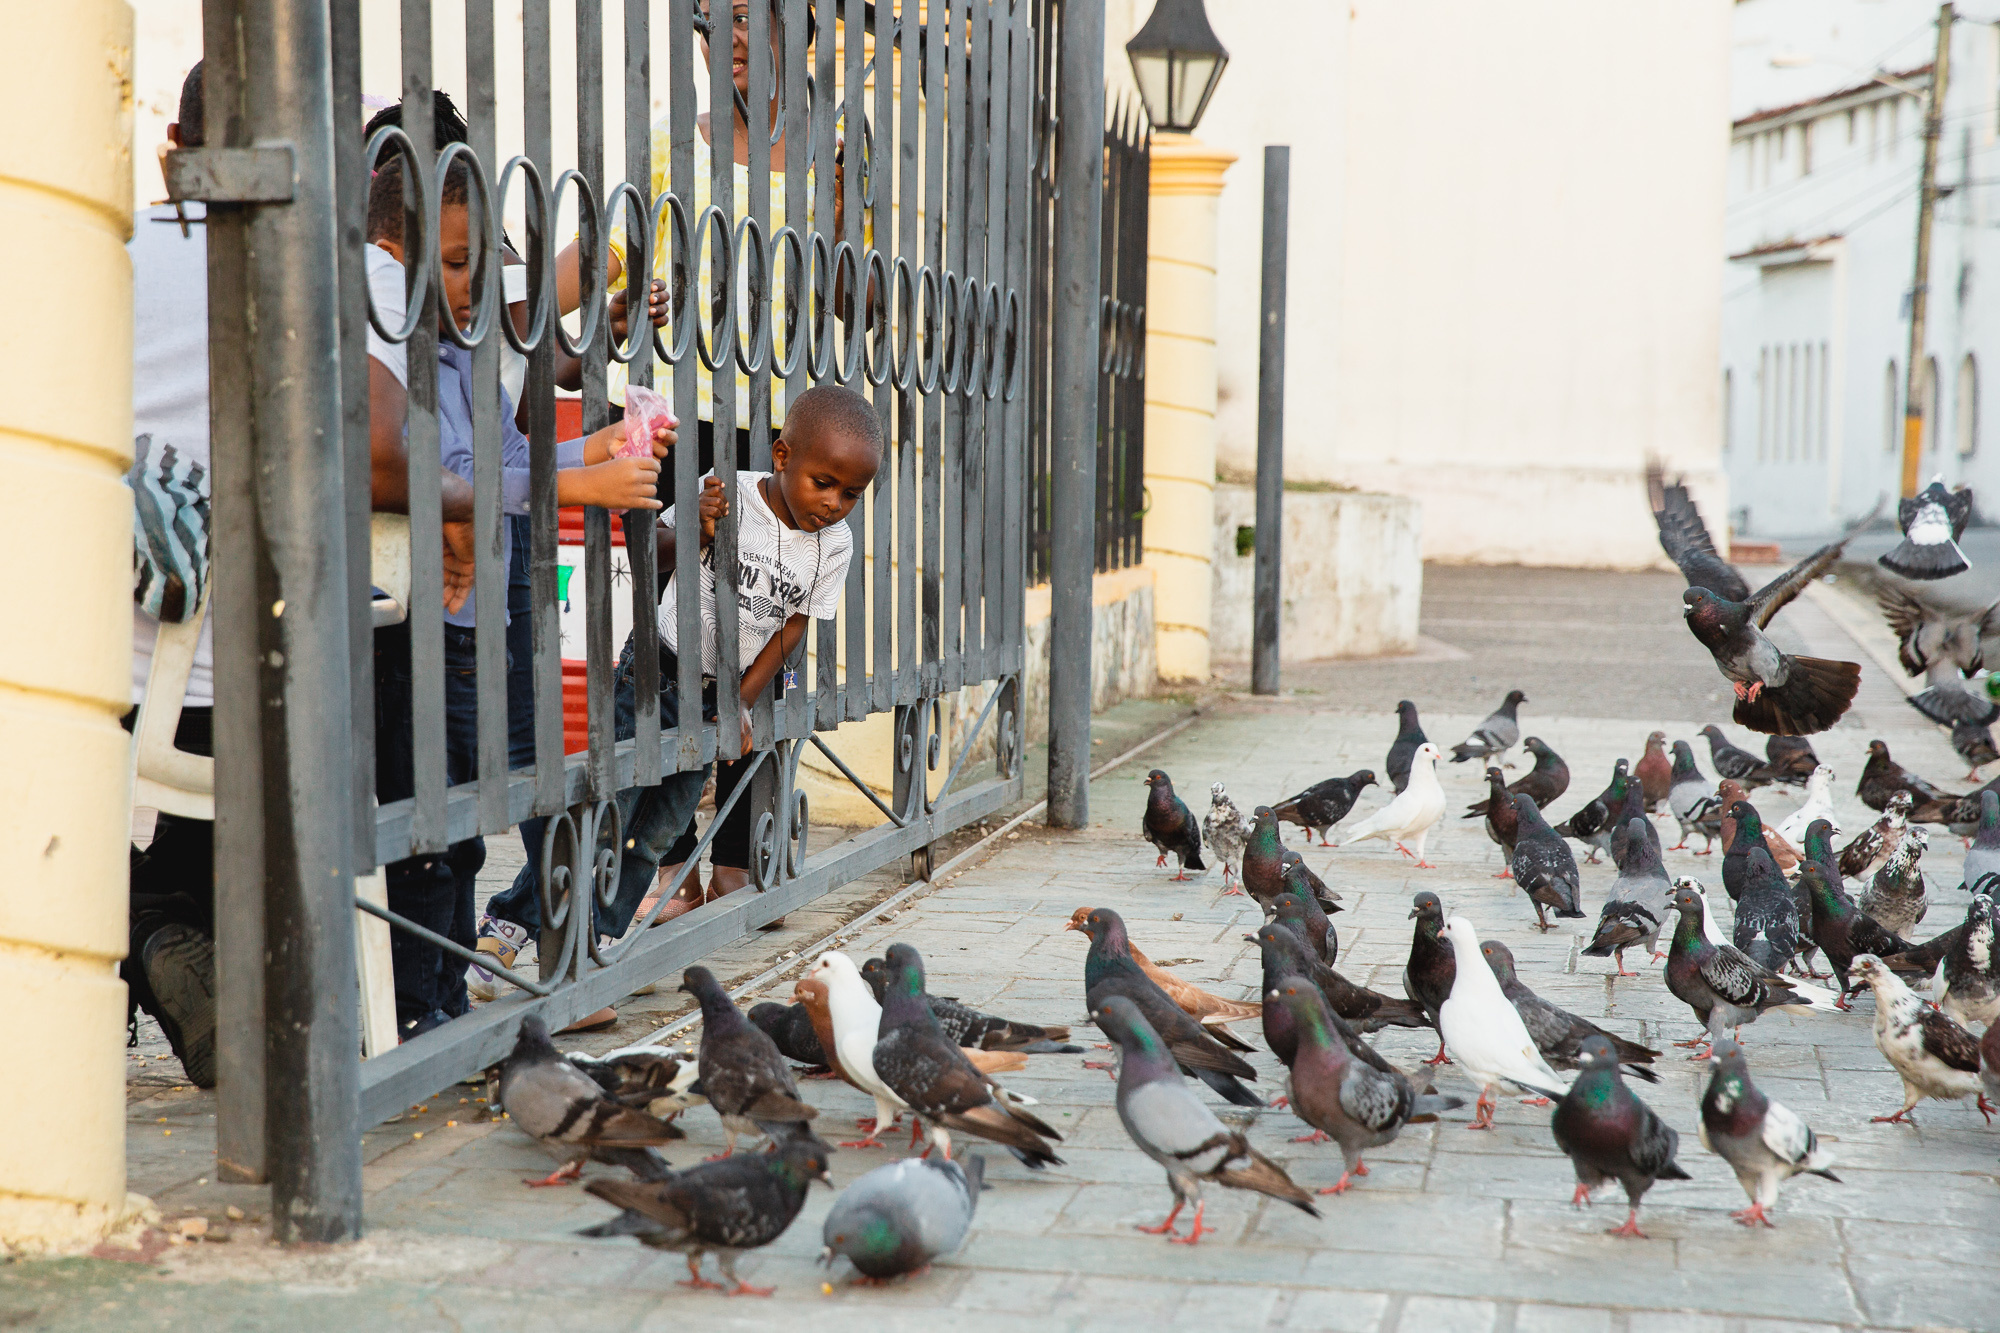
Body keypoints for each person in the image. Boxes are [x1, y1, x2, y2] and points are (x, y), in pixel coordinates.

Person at [122, 64, 478, 1085]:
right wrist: (456, 507)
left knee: (137, 863)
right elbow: (377, 446)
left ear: (172, 153)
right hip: (283, 679)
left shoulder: (104, 256)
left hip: (113, 680)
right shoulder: (335, 270)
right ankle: (227, 975)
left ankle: (164, 949)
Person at [362, 155, 673, 1036]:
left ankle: (445, 999)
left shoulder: (459, 347)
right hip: (422, 620)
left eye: (477, 266)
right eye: (455, 264)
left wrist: (602, 448)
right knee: (432, 825)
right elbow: (444, 476)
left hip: (475, 616)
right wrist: (577, 487)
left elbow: (501, 465)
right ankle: (423, 1010)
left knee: (464, 819)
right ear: (392, 253)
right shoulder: (392, 343)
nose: (471, 287)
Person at [466, 383, 881, 993]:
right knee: (609, 809)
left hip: (717, 697)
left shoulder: (834, 545)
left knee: (658, 829)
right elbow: (650, 555)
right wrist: (698, 530)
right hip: (655, 669)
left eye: (852, 493)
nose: (835, 503)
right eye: (825, 483)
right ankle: (514, 922)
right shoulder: (728, 494)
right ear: (783, 457)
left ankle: (599, 942)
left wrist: (741, 698)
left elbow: (795, 625)